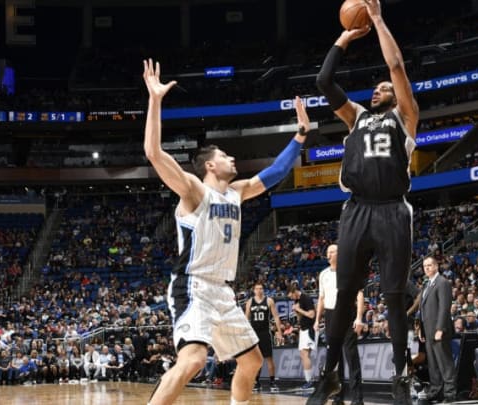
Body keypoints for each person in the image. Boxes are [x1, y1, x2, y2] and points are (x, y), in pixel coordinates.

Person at [142, 59, 311, 405]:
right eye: (225, 155)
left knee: (250, 361)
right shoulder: (192, 190)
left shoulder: (238, 192)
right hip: (194, 286)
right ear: (209, 165)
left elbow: (277, 172)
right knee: (193, 360)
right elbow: (153, 153)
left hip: (224, 292)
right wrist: (155, 100)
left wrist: (300, 135)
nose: (232, 159)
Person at [309, 0, 420, 403]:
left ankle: (400, 376)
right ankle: (329, 374)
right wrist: (345, 37)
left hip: (392, 208)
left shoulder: (405, 118)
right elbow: (324, 81)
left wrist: (375, 19)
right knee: (343, 291)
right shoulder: (355, 116)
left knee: (392, 295)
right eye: (375, 90)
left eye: (383, 90)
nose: (378, 91)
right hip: (356, 210)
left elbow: (397, 68)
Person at [315, 244, 364, 405]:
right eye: (327, 251)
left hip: (347, 313)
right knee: (335, 360)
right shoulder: (323, 274)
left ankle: (357, 399)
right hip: (330, 316)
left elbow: (359, 294)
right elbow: (321, 299)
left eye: (332, 251)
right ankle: (338, 396)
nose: (328, 254)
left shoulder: (349, 271)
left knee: (351, 357)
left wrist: (358, 318)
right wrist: (317, 320)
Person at [418, 256, 456, 402]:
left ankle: (450, 393)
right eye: (424, 266)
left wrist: (440, 328)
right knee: (433, 363)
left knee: (445, 362)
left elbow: (444, 308)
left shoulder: (443, 282)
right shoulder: (426, 285)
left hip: (439, 330)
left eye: (429, 265)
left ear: (436, 266)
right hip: (427, 330)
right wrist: (420, 328)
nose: (426, 268)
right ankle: (436, 391)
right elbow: (422, 310)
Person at [244, 281, 284, 393]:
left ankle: (272, 382)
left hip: (265, 333)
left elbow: (276, 317)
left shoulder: (269, 300)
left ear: (263, 289)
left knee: (269, 358)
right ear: (254, 290)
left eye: (261, 288)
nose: (259, 290)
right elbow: (246, 319)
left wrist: (279, 332)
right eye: (257, 288)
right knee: (256, 360)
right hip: (253, 334)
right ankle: (256, 382)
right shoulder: (249, 302)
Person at [286, 283, 317, 391]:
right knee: (303, 355)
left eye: (291, 296)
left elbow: (312, 314)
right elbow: (301, 318)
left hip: (310, 329)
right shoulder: (297, 301)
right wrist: (296, 312)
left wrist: (298, 309)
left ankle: (310, 382)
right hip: (303, 329)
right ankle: (309, 380)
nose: (291, 298)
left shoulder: (306, 298)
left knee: (305, 354)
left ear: (294, 292)